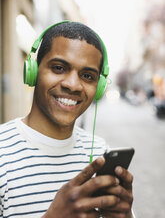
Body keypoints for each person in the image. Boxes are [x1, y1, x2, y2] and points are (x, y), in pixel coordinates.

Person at [0, 21, 134, 218]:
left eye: (87, 75)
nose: (73, 85)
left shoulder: (98, 152)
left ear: (98, 87)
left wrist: (125, 215)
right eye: (59, 68)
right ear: (33, 71)